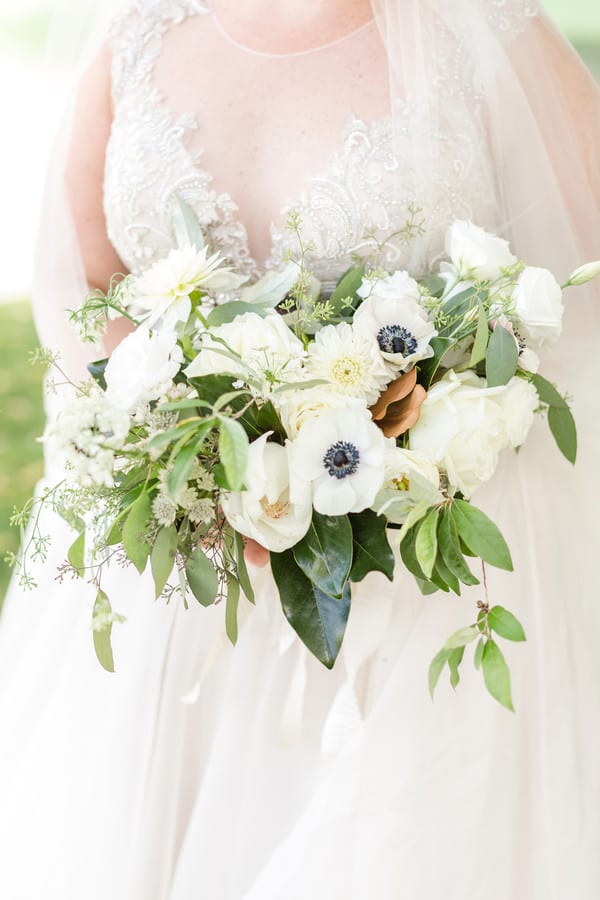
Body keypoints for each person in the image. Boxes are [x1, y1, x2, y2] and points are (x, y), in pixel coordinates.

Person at [0, 1, 599, 897]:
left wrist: (418, 425)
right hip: (176, 560)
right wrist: (187, 446)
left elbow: (585, 287)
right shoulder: (141, 30)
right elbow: (81, 278)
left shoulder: (486, 33)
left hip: (417, 572)